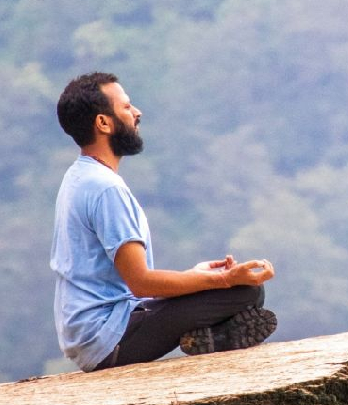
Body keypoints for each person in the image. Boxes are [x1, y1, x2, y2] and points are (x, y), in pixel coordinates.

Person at [50, 72, 277, 372]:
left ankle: (211, 338)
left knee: (232, 288)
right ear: (103, 123)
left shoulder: (78, 177)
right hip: (108, 338)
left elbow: (132, 284)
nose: (137, 113)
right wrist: (224, 280)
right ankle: (215, 337)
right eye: (126, 107)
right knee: (246, 292)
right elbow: (141, 283)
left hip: (94, 333)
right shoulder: (106, 189)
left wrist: (193, 277)